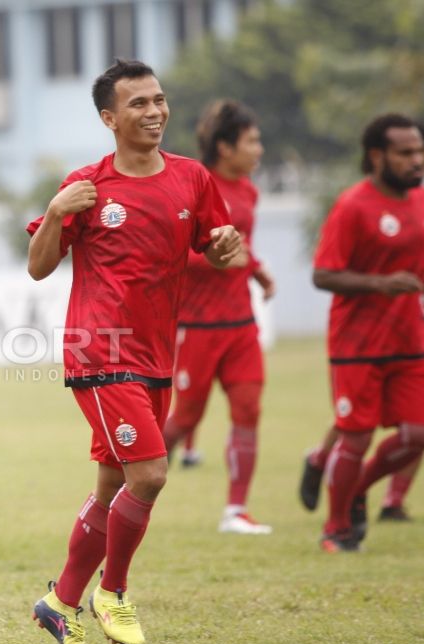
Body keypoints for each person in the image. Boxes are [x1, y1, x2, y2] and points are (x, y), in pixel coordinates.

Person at [26, 60, 241, 644]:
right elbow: (39, 267)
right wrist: (55, 212)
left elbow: (217, 251)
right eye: (139, 104)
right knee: (149, 474)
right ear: (109, 118)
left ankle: (59, 601)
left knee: (111, 485)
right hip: (101, 351)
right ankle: (112, 592)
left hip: (154, 355)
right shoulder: (88, 184)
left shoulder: (193, 179)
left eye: (159, 100)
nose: (154, 112)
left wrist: (226, 244)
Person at [298, 120, 424, 526]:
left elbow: (416, 256)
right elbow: (323, 274)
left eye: (419, 151)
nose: (418, 160)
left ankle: (355, 490)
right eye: (405, 153)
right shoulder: (353, 205)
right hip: (357, 343)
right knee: (356, 435)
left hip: (411, 336)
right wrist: (380, 284)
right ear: (377, 156)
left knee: (420, 435)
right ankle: (337, 529)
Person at [162, 100, 275, 535]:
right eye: (251, 141)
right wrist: (224, 259)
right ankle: (139, 486)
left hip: (241, 324)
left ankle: (236, 510)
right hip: (197, 326)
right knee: (184, 419)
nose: (258, 149)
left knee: (248, 410)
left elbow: (242, 246)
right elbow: (179, 254)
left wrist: (258, 270)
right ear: (225, 147)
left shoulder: (249, 190)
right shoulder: (193, 186)